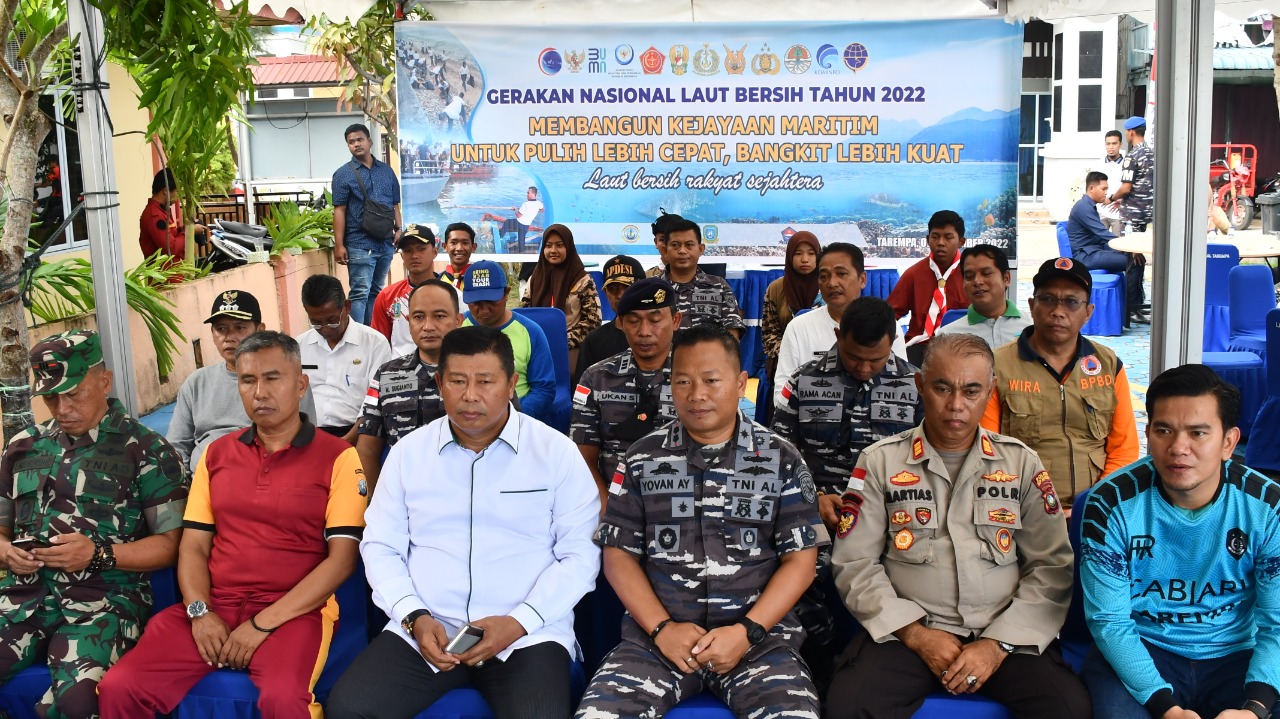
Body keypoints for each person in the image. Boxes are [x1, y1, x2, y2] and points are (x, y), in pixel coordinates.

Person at [326, 326, 600, 719]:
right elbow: (381, 546)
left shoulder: (556, 454)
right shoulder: (409, 455)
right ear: (440, 383)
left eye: (486, 381)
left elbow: (580, 555)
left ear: (510, 384)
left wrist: (520, 622)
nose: (471, 395)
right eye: (457, 381)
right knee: (351, 709)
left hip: (525, 636)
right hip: (426, 630)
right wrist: (414, 616)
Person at [97, 331, 366, 719]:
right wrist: (199, 611)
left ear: (300, 384)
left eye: (273, 378)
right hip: (216, 604)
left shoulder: (338, 457)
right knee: (120, 689)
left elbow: (340, 562)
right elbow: (193, 546)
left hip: (294, 613)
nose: (259, 392)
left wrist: (260, 625)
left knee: (284, 700)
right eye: (247, 380)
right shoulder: (216, 456)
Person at [827, 332, 1090, 719]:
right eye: (942, 388)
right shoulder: (881, 462)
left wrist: (997, 645)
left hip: (1004, 633)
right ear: (920, 385)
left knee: (1069, 709)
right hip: (908, 633)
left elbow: (1052, 568)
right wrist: (917, 635)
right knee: (848, 707)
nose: (956, 406)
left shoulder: (1021, 464)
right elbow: (854, 564)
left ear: (990, 391)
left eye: (971, 391)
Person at [576, 325, 823, 719]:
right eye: (683, 382)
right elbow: (618, 556)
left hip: (758, 644)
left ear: (741, 384)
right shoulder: (642, 459)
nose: (697, 395)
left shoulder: (782, 459)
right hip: (657, 645)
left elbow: (801, 562)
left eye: (711, 380)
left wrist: (747, 633)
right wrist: (661, 630)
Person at [0, 330, 187, 719]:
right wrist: (4, 550)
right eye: (51, 397)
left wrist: (99, 554)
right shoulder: (22, 446)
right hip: (20, 598)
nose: (62, 407)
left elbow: (173, 544)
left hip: (105, 603)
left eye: (74, 393)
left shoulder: (147, 450)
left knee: (78, 703)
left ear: (105, 380)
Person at [1080, 364, 1280, 719]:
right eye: (1164, 430)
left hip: (1236, 652)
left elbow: (1277, 622)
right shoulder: (1109, 503)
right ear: (1148, 433)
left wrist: (1255, 708)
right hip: (1142, 646)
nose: (1178, 448)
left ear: (1229, 442)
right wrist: (1165, 708)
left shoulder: (1269, 507)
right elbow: (1110, 621)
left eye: (1198, 433)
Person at [770, 296, 920, 690]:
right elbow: (779, 454)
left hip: (892, 518)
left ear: (893, 342)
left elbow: (928, 462)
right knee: (796, 583)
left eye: (877, 359)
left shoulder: (916, 385)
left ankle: (880, 672)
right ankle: (817, 670)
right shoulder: (802, 382)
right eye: (855, 358)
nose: (866, 369)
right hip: (815, 514)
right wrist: (813, 495)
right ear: (838, 336)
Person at [982, 258, 1140, 510]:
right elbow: (987, 452)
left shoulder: (1109, 365)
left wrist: (1092, 507)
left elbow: (1124, 450)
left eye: (1071, 302)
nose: (1058, 310)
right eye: (1047, 299)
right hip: (1022, 508)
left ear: (1089, 312)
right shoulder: (997, 366)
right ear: (1032, 306)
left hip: (1095, 508)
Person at [167, 290, 318, 471]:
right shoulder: (196, 383)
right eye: (221, 329)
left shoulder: (288, 380)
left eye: (239, 328)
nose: (229, 337)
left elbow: (306, 441)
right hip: (203, 483)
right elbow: (177, 446)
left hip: (267, 477)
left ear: (259, 330)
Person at [572, 277, 682, 506]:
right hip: (614, 499)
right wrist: (606, 508)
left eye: (655, 320)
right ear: (621, 323)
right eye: (633, 321)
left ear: (675, 320)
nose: (644, 331)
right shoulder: (596, 379)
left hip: (682, 502)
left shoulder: (696, 379)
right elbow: (583, 459)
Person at [356, 279, 462, 491]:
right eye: (418, 317)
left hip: (465, 492)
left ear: (458, 320)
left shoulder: (480, 373)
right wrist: (373, 504)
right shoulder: (387, 374)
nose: (428, 326)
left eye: (439, 316)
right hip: (404, 494)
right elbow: (367, 448)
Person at [461, 260, 556, 426]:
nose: (483, 310)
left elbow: (544, 388)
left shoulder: (530, 331)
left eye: (491, 302)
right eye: (476, 303)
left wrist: (516, 419)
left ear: (506, 293)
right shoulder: (457, 327)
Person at [299, 274, 392, 442]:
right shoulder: (298, 345)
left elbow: (374, 402)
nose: (325, 329)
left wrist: (346, 441)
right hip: (307, 433)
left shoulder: (374, 343)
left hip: (358, 431)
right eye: (316, 323)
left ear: (347, 307)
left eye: (332, 320)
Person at [773, 242, 865, 408]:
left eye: (841, 274)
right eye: (824, 276)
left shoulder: (886, 327)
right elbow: (781, 394)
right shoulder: (798, 327)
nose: (832, 283)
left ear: (862, 279)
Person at [332, 123, 403, 325]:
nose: (356, 144)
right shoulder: (343, 174)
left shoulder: (387, 171)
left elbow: (394, 204)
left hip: (385, 242)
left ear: (370, 141)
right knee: (359, 294)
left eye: (359, 139)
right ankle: (357, 338)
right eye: (351, 142)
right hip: (358, 242)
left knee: (376, 291)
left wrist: (398, 229)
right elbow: (339, 210)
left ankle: (372, 334)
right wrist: (339, 245)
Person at [887, 209, 969, 367]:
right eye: (935, 236)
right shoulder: (913, 274)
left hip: (961, 348)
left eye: (948, 237)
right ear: (927, 239)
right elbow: (890, 314)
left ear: (961, 241)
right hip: (919, 347)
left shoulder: (971, 275)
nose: (940, 243)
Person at [1068, 172, 1148, 324]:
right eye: (1103, 189)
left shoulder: (1088, 206)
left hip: (1094, 250)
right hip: (1086, 256)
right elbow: (1102, 233)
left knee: (1137, 257)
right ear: (1091, 188)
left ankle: (1136, 304)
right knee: (1133, 260)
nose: (1106, 193)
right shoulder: (1083, 208)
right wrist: (1129, 247)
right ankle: (1132, 308)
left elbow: (1100, 236)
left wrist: (1126, 248)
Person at [520, 223, 601, 371]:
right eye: (548, 245)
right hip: (536, 346)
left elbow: (593, 321)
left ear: (568, 247)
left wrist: (562, 341)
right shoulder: (535, 277)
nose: (553, 250)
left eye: (559, 245)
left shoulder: (582, 280)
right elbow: (524, 313)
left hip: (569, 348)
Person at [659, 218, 745, 337]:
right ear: (664, 250)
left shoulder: (719, 286)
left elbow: (732, 333)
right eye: (675, 245)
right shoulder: (652, 288)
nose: (682, 251)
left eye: (689, 245)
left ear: (700, 249)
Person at [935, 244, 1031, 347]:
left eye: (986, 273)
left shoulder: (1033, 327)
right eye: (969, 276)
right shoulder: (948, 337)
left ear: (1006, 278)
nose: (977, 281)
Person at [371, 223, 441, 357]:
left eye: (421, 249)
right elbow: (379, 344)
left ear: (434, 252)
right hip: (400, 374)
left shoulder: (453, 296)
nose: (414, 255)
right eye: (408, 250)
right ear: (402, 256)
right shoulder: (386, 296)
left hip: (442, 370)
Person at [573, 255, 644, 386]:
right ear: (605, 292)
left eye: (627, 287)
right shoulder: (594, 341)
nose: (620, 295)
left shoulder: (660, 335)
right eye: (613, 289)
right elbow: (581, 391)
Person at [762, 231, 822, 383]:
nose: (804, 259)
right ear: (789, 256)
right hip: (785, 366)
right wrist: (794, 353)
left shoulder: (828, 287)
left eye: (811, 253)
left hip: (825, 363)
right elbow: (769, 335)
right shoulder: (775, 288)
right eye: (798, 253)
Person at [139, 168, 207, 262]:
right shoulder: (155, 216)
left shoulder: (162, 211)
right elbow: (171, 248)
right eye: (177, 192)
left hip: (174, 272)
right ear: (166, 191)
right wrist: (190, 233)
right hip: (166, 274)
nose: (178, 196)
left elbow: (171, 237)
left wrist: (185, 229)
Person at [1110, 116, 1156, 235]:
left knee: (1126, 250)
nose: (1125, 134)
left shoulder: (1132, 156)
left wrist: (1111, 198)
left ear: (1131, 132)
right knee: (1137, 249)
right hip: (1147, 213)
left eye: (1126, 131)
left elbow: (1126, 188)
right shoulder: (1151, 154)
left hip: (1131, 214)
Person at [1098, 129, 1126, 235]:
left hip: (1119, 214)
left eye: (1114, 143)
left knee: (1119, 247)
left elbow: (1128, 187)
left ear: (1120, 144)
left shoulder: (1127, 164)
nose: (1111, 147)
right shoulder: (1099, 164)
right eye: (1108, 143)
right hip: (1100, 212)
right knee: (1099, 245)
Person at [439, 222, 477, 291]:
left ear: (473, 247)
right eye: (453, 243)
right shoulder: (437, 282)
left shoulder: (481, 281)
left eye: (465, 243)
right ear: (445, 246)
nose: (459, 248)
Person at [646, 210, 682, 278]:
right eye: (663, 240)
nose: (668, 245)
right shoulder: (645, 279)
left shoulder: (705, 280)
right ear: (656, 242)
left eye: (675, 240)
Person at [514, 186, 543, 253]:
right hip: (527, 225)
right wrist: (534, 210)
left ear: (533, 194)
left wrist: (515, 209)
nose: (527, 194)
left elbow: (518, 215)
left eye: (528, 193)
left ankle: (521, 254)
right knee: (522, 238)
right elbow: (542, 210)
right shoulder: (539, 203)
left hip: (521, 224)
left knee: (521, 240)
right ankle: (522, 252)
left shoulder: (526, 204)